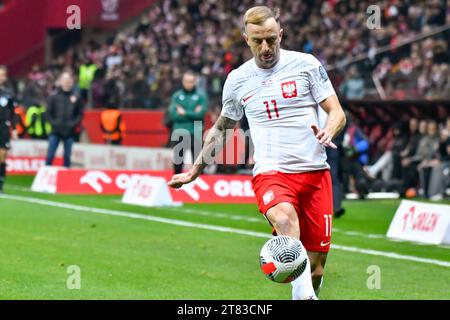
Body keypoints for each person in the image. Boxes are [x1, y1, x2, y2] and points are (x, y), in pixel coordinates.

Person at [168, 6, 346, 300]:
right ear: (245, 39)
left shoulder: (306, 65)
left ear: (281, 34)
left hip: (315, 174)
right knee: (286, 220)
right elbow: (222, 128)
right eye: (257, 41)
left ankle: (305, 292)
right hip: (271, 174)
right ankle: (304, 297)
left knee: (315, 269)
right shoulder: (238, 80)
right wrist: (194, 171)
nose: (266, 47)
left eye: (271, 39)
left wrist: (330, 129)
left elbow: (337, 112)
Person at [169, 71, 208, 174]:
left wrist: (184, 113)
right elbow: (173, 115)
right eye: (186, 81)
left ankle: (201, 186)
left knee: (197, 162)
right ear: (182, 81)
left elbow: (200, 114)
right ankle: (177, 186)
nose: (188, 84)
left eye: (191, 81)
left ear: (195, 82)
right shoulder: (176, 96)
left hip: (196, 131)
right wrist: (193, 113)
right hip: (179, 131)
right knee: (177, 161)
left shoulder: (201, 96)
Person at [45, 72, 84, 168]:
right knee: (50, 155)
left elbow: (80, 114)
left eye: (69, 80)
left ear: (72, 82)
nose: (67, 82)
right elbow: (48, 113)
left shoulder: (76, 97)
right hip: (55, 131)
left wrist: (72, 125)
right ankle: (45, 175)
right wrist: (54, 124)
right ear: (60, 82)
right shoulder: (54, 96)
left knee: (67, 156)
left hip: (70, 132)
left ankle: (65, 178)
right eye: (65, 80)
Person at [0, 65, 17, 193]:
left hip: (4, 128)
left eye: (3, 75)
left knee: (2, 156)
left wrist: (15, 128)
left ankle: (0, 183)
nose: (1, 77)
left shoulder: (8, 94)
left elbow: (13, 113)